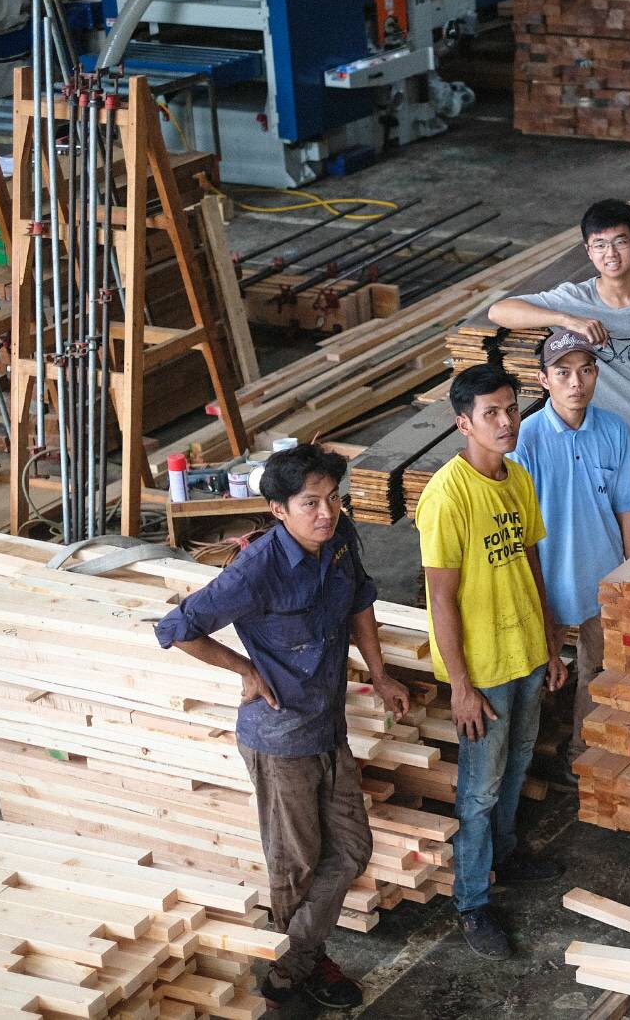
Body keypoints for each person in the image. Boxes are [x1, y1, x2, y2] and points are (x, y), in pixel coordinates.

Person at [155, 445, 412, 1008]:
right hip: (279, 740)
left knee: (351, 849)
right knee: (295, 865)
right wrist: (245, 669)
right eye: (310, 503)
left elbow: (360, 602)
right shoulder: (256, 570)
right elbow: (175, 628)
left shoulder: (339, 540)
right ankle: (290, 974)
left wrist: (380, 674)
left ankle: (295, 960)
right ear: (278, 509)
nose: (327, 512)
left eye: (334, 498)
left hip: (328, 727)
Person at [416, 364, 570, 960]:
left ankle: (506, 854)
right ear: (464, 424)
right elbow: (440, 597)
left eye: (511, 409)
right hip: (481, 670)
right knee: (479, 789)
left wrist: (550, 644)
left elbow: (531, 563)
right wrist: (460, 685)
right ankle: (472, 902)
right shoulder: (447, 495)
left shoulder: (517, 477)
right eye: (491, 414)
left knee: (519, 761)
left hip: (525, 652)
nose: (507, 422)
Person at [489, 198, 630, 544]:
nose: (611, 253)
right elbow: (499, 311)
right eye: (599, 245)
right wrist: (566, 319)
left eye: (620, 241)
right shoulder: (574, 299)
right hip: (606, 455)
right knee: (625, 559)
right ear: (588, 252)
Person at [513, 331, 630, 779]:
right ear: (543, 379)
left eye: (586, 370)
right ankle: (525, 762)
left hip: (602, 575)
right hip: (545, 578)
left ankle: (580, 754)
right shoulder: (526, 440)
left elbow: (627, 509)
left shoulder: (614, 429)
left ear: (596, 375)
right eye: (563, 372)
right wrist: (531, 591)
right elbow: (520, 528)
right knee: (537, 672)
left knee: (598, 670)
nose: (576, 382)